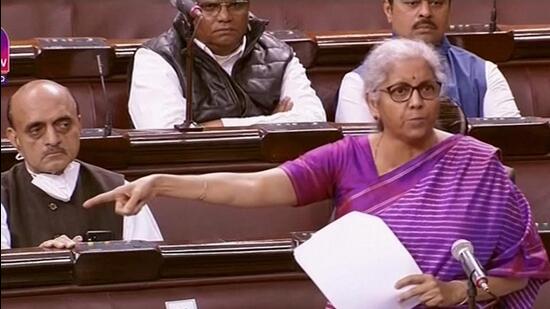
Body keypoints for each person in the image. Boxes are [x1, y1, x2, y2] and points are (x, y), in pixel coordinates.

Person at [85, 39, 548, 307]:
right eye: (401, 90)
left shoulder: (478, 163)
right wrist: (161, 183)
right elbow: (254, 186)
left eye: (426, 89)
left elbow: (523, 270)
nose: (416, 102)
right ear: (373, 101)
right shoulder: (344, 157)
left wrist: (454, 292)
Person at [1, 80, 163, 249]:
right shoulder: (3, 196)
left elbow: (148, 264)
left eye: (63, 125)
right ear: (15, 138)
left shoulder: (119, 188)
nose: (53, 139)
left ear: (79, 124)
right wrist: (41, 260)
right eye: (36, 130)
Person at [129, 0, 326, 129]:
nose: (225, 17)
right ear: (189, 11)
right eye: (210, 6)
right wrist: (273, 122)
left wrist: (214, 126)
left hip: (269, 175)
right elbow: (165, 136)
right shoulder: (157, 57)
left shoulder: (278, 54)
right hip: (192, 180)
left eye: (236, 5)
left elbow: (313, 120)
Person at [335, 0, 521, 122]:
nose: (425, 12)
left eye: (436, 2)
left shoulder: (485, 74)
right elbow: (362, 165)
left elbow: (508, 147)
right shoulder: (358, 84)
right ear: (388, 10)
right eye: (412, 3)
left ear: (449, 11)